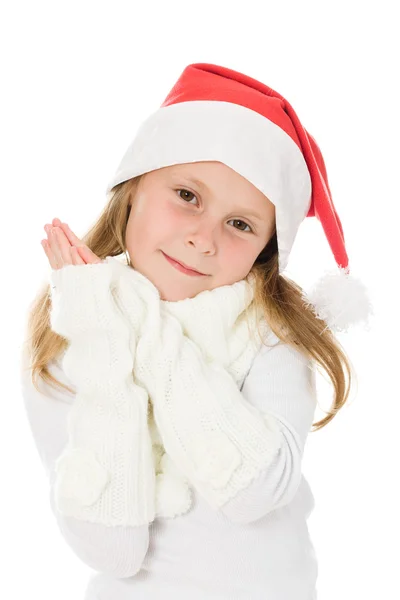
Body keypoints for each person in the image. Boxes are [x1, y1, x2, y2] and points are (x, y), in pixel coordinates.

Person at [19, 62, 373, 600]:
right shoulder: (72, 326)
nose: (203, 239)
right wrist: (104, 338)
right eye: (187, 195)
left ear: (265, 250)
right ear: (134, 185)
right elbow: (113, 550)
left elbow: (255, 489)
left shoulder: (269, 330)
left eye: (240, 224)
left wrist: (142, 327)